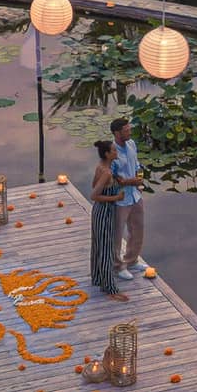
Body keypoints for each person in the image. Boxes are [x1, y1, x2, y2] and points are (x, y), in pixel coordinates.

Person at [89, 140, 129, 301]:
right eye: (113, 150)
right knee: (106, 250)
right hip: (104, 212)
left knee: (99, 246)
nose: (116, 152)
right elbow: (94, 196)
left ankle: (99, 278)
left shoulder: (101, 167)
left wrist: (112, 182)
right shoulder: (106, 172)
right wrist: (116, 197)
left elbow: (94, 184)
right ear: (107, 154)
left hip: (99, 212)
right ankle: (110, 289)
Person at [110, 114, 147, 277]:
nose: (129, 132)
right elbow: (112, 177)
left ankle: (132, 260)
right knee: (117, 234)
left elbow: (137, 164)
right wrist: (128, 181)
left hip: (135, 195)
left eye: (129, 129)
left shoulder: (131, 144)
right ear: (117, 133)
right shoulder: (111, 152)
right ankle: (118, 266)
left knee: (138, 229)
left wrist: (139, 181)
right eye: (126, 130)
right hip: (120, 198)